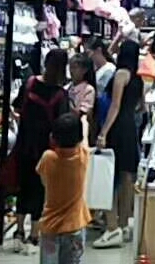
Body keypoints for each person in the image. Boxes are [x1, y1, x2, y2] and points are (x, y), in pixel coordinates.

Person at [10, 49, 72, 253]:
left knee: (23, 186)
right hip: (46, 149)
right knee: (40, 190)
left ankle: (19, 230)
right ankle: (34, 234)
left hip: (24, 144)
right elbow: (62, 124)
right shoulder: (60, 94)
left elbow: (17, 108)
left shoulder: (29, 84)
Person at [92, 40, 144, 249]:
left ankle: (112, 227)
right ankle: (124, 224)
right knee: (127, 176)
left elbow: (115, 105)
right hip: (130, 127)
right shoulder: (138, 79)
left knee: (109, 177)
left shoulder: (121, 74)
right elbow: (141, 107)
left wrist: (103, 131)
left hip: (118, 127)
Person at [37, 113, 92, 264]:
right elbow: (85, 139)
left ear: (53, 138)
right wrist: (84, 120)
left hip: (50, 228)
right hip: (75, 226)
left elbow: (44, 181)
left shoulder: (48, 158)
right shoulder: (82, 157)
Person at [68, 53, 96, 145]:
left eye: (75, 68)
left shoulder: (89, 90)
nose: (71, 71)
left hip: (80, 132)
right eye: (70, 67)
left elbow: (83, 114)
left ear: (84, 70)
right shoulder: (67, 87)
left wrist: (66, 100)